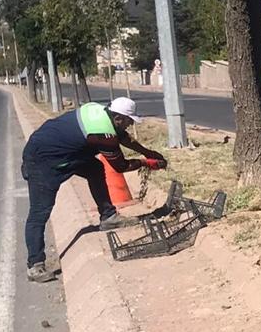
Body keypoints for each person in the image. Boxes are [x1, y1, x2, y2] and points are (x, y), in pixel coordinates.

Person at [21, 95, 167, 283]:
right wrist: (146, 162)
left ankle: (108, 216)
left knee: (95, 169)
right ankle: (35, 265)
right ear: (118, 118)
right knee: (40, 211)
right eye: (129, 121)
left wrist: (149, 152)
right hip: (43, 159)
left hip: (62, 150)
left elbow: (123, 138)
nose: (130, 125)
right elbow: (120, 166)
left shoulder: (100, 112)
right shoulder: (102, 133)